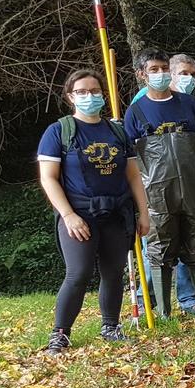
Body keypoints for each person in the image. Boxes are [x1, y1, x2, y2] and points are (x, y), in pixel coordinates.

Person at [37, 69, 149, 354]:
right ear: (71, 97)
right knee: (79, 272)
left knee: (114, 272)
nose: (90, 96)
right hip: (79, 214)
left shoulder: (117, 132)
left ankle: (111, 326)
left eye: (95, 91)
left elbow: (134, 176)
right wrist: (68, 215)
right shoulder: (59, 131)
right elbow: (48, 177)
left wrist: (144, 214)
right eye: (82, 92)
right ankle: (60, 334)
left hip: (116, 213)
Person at [124, 48, 195, 319]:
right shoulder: (136, 111)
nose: (161, 74)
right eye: (154, 70)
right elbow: (128, 153)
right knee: (159, 247)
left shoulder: (190, 104)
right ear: (141, 75)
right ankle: (163, 310)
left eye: (164, 68)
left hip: (194, 187)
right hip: (156, 192)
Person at [131, 53, 195, 312]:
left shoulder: (189, 103)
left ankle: (187, 298)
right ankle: (145, 298)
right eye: (182, 73)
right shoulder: (142, 101)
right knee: (158, 244)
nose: (188, 79)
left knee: (186, 240)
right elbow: (132, 148)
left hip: (187, 181)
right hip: (155, 185)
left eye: (192, 74)